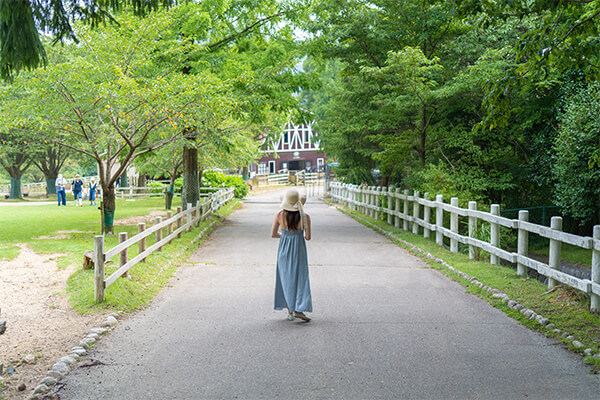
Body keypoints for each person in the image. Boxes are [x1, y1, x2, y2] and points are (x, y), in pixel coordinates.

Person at [271, 189, 312, 322]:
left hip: (284, 250)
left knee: (286, 278)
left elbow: (273, 234)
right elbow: (308, 237)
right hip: (299, 250)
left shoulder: (279, 215)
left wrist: (285, 237)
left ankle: (290, 312)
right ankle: (299, 309)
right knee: (300, 277)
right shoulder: (305, 217)